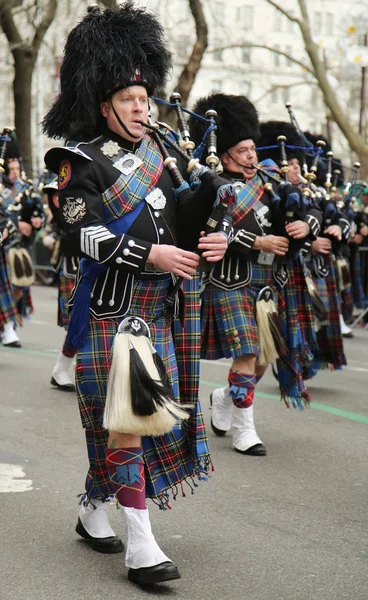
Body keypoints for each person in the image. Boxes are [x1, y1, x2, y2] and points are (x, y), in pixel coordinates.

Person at [43, 3, 228, 586]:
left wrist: (213, 240)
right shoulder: (80, 163)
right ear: (104, 104)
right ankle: (141, 546)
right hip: (111, 312)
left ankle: (94, 507)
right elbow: (83, 233)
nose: (142, 108)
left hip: (160, 313)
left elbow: (186, 229)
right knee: (128, 424)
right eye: (129, 100)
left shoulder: (166, 161)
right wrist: (150, 255)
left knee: (138, 425)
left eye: (145, 98)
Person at [190, 97, 319, 457]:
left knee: (265, 357)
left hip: (267, 284)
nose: (250, 156)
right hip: (229, 281)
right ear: (226, 155)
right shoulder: (211, 184)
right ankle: (244, 430)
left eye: (251, 149)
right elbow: (207, 231)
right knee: (247, 353)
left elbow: (313, 211)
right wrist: (257, 240)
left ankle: (225, 397)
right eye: (242, 150)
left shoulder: (270, 182)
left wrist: (303, 224)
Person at [43, 179, 78, 391]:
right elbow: (57, 203)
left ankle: (64, 368)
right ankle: (62, 368)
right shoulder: (64, 186)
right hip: (76, 265)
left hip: (100, 260)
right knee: (79, 321)